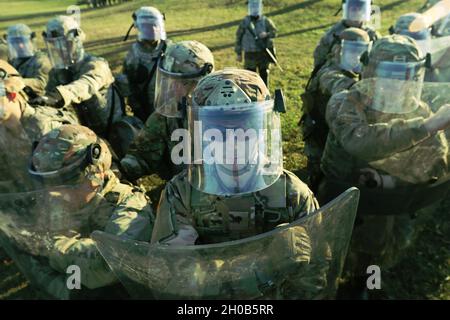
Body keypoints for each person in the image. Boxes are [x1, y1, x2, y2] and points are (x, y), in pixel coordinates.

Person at [318, 35, 450, 297]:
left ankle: (367, 286)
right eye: (388, 74)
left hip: (380, 199)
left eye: (406, 75)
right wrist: (424, 128)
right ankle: (328, 286)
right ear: (369, 70)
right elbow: (361, 141)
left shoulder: (418, 111)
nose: (397, 83)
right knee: (328, 251)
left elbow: (436, 164)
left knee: (375, 252)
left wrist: (390, 182)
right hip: (338, 193)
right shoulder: (345, 101)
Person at [0, 124, 154, 299]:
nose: (52, 193)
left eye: (62, 181)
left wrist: (54, 246)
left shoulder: (131, 207)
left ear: (94, 175)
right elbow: (39, 269)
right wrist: (68, 292)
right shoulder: (60, 202)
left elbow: (108, 265)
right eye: (46, 182)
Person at [120, 40, 215, 181]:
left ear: (203, 82)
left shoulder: (224, 113)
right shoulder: (167, 114)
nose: (173, 88)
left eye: (182, 82)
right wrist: (119, 171)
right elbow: (142, 154)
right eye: (171, 81)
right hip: (182, 193)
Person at [301, 28, 371, 192]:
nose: (357, 57)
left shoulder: (356, 72)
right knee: (319, 176)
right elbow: (336, 83)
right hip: (319, 133)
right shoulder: (328, 70)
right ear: (338, 50)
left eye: (361, 52)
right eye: (352, 51)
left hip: (336, 130)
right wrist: (364, 90)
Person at [30, 15, 123, 139]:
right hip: (85, 136)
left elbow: (86, 84)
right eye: (55, 46)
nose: (59, 50)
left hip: (114, 133)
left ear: (76, 40)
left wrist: (59, 95)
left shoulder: (97, 65)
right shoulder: (57, 72)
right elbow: (49, 99)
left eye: (64, 44)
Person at [0, 60, 78, 192]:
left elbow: (80, 180)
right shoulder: (2, 133)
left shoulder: (46, 126)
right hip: (32, 204)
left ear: (12, 94)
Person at [122, 6, 170, 122]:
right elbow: (128, 86)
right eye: (147, 26)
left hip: (171, 110)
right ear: (139, 28)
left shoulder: (171, 50)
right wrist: (137, 109)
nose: (153, 30)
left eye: (155, 25)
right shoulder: (132, 56)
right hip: (146, 113)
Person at [313, 0, 380, 69]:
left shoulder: (371, 33)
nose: (357, 12)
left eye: (361, 8)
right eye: (353, 9)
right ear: (346, 9)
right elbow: (319, 59)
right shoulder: (333, 33)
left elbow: (380, 57)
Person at [235, 0, 277, 85]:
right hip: (249, 54)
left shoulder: (266, 21)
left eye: (257, 6)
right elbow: (238, 37)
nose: (254, 8)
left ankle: (265, 95)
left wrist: (266, 34)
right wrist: (239, 53)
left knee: (264, 75)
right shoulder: (245, 22)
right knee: (250, 77)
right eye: (252, 6)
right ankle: (251, 95)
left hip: (263, 53)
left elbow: (274, 32)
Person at [5, 24, 52, 96]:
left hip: (38, 101)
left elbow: (43, 84)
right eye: (15, 42)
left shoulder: (41, 60)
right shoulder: (13, 61)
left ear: (31, 41)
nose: (20, 45)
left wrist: (21, 82)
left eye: (22, 41)